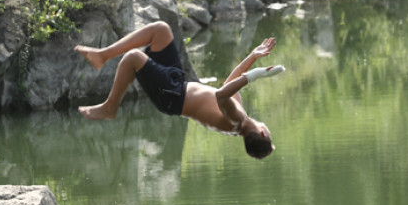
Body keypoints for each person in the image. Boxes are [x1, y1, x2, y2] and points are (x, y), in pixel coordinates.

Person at [75, 21, 284, 159]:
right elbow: (230, 82)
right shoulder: (240, 119)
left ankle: (110, 107)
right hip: (177, 84)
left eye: (270, 135)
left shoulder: (237, 120)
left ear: (263, 133)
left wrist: (255, 75)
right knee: (161, 30)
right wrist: (253, 56)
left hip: (172, 95)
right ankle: (102, 55)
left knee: (133, 58)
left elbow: (221, 95)